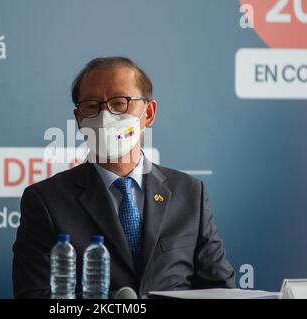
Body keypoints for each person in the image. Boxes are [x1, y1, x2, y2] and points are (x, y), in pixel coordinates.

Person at [12, 56, 235, 299]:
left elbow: (220, 289)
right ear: (79, 120)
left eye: (120, 103)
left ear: (148, 113)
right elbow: (35, 295)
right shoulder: (47, 201)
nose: (106, 116)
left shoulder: (190, 193)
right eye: (92, 105)